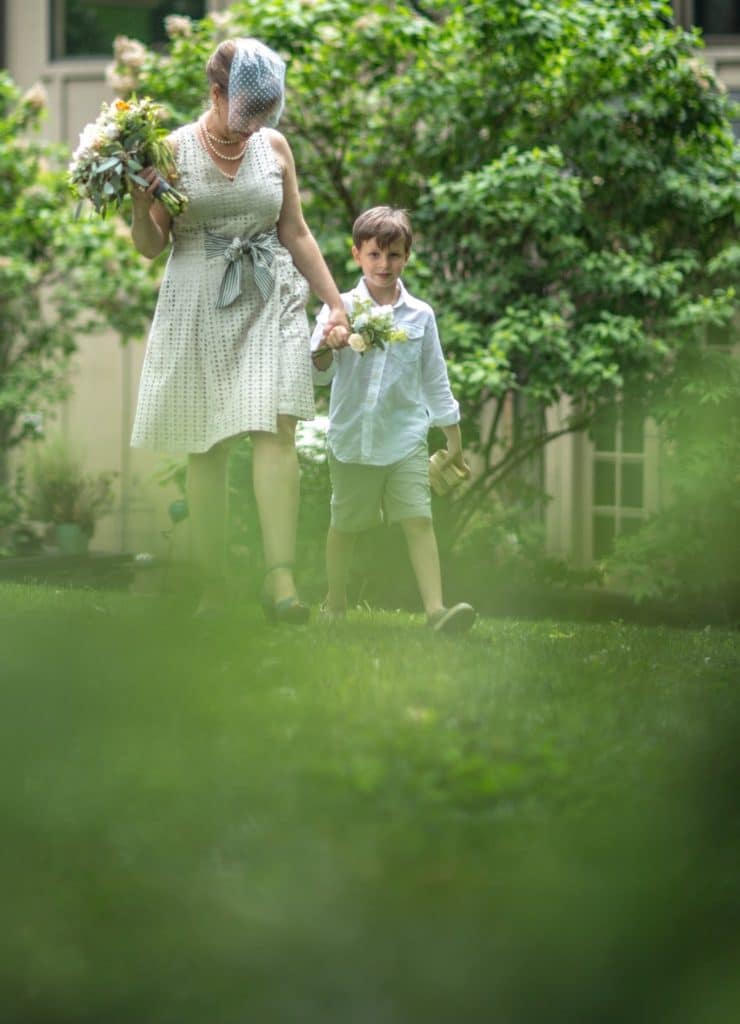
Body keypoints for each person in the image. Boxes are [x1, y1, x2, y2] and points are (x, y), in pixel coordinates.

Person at [129, 38, 349, 623]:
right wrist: (136, 196)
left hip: (270, 293)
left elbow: (295, 230)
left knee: (277, 430)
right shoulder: (172, 149)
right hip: (200, 299)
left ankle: (280, 580)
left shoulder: (273, 146)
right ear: (217, 93)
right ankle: (214, 584)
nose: (255, 124)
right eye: (246, 110)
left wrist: (334, 305)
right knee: (209, 442)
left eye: (264, 113)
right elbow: (151, 247)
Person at [311, 206, 476, 633]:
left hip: (405, 439)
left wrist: (453, 440)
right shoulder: (339, 307)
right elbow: (316, 370)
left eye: (395, 255)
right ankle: (336, 598)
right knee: (344, 524)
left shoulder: (421, 316)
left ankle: (437, 612)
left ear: (407, 256)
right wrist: (332, 342)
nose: (384, 265)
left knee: (419, 521)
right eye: (375, 255)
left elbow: (435, 381)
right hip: (353, 439)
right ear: (357, 255)